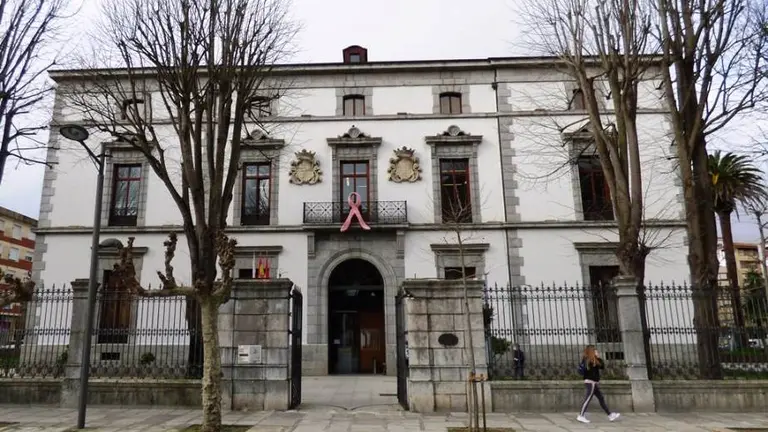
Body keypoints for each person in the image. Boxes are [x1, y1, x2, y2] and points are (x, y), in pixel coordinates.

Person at [576, 345, 620, 424]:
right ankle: (581, 415)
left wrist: (598, 357)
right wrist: (597, 358)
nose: (597, 352)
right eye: (595, 351)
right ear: (592, 352)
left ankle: (610, 415)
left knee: (601, 398)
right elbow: (598, 367)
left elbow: (602, 366)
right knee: (588, 398)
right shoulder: (589, 360)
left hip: (593, 383)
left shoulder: (593, 360)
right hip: (591, 382)